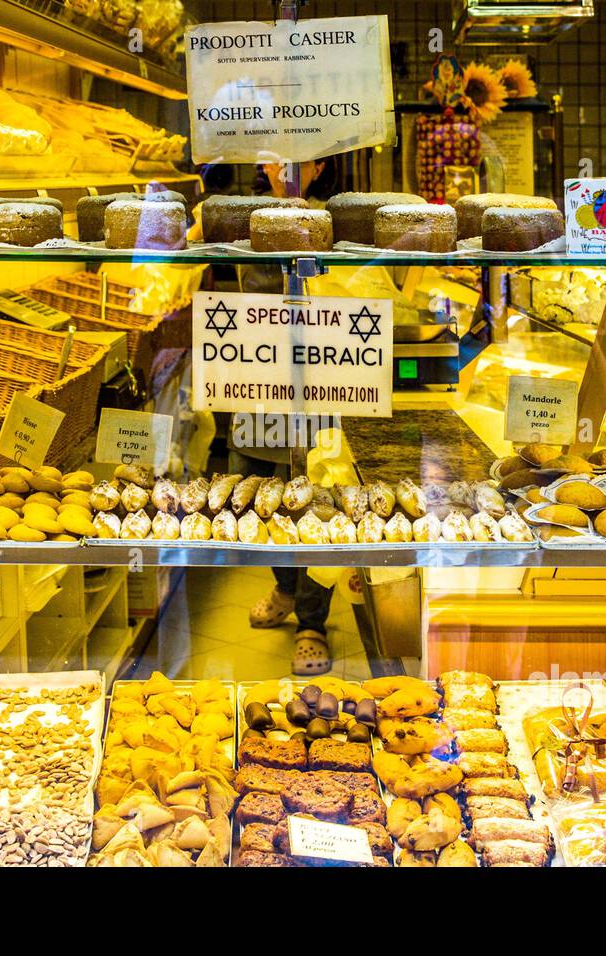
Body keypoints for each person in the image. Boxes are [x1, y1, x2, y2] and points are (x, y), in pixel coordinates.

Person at [236, 156, 340, 676]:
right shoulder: (244, 222)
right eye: (276, 157)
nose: (288, 167)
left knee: (316, 495)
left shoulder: (334, 226)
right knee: (260, 492)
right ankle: (284, 583)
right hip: (256, 375)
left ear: (320, 167)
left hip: (321, 379)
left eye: (302, 158)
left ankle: (312, 620)